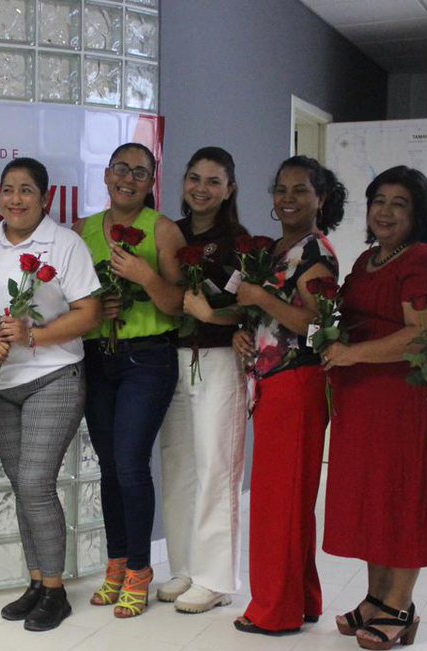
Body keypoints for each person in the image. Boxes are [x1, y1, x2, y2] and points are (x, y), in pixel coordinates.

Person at [321, 166, 427, 650]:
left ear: (418, 214)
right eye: (379, 200)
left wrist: (352, 353)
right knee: (370, 500)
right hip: (363, 401)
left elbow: (423, 333)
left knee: (400, 499)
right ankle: (375, 598)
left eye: (399, 203)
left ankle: (400, 604)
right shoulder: (366, 260)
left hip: (404, 402)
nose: (385, 211)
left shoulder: (421, 260)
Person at [0, 157, 102, 631]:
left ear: (44, 198)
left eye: (26, 190)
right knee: (21, 486)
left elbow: (90, 312)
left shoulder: (64, 244)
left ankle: (55, 591)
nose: (15, 199)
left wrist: (31, 336)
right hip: (1, 382)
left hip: (54, 375)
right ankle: (36, 580)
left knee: (34, 484)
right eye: (8, 190)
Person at [232, 156, 345, 635]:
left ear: (320, 198)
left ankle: (275, 611)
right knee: (289, 497)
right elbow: (268, 316)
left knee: (279, 501)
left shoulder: (316, 253)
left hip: (297, 384)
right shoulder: (280, 248)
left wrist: (261, 301)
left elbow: (320, 326)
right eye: (281, 189)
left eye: (300, 190)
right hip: (273, 382)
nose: (288, 199)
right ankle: (303, 598)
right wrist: (247, 331)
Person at [74, 142, 183, 619]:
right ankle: (116, 561)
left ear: (151, 181)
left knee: (130, 463)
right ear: (107, 174)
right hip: (99, 357)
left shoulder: (162, 230)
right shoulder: (84, 230)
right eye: (122, 169)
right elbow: (74, 299)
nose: (129, 179)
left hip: (148, 358)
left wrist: (143, 275)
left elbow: (177, 304)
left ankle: (140, 567)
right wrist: (101, 306)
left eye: (141, 172)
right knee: (108, 465)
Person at [160, 146, 248, 615]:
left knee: (217, 466)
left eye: (213, 181)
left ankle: (216, 578)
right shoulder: (169, 233)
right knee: (178, 464)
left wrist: (215, 315)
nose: (201, 188)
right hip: (174, 357)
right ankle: (185, 567)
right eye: (194, 178)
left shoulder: (240, 241)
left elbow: (252, 306)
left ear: (229, 189)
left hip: (218, 360)